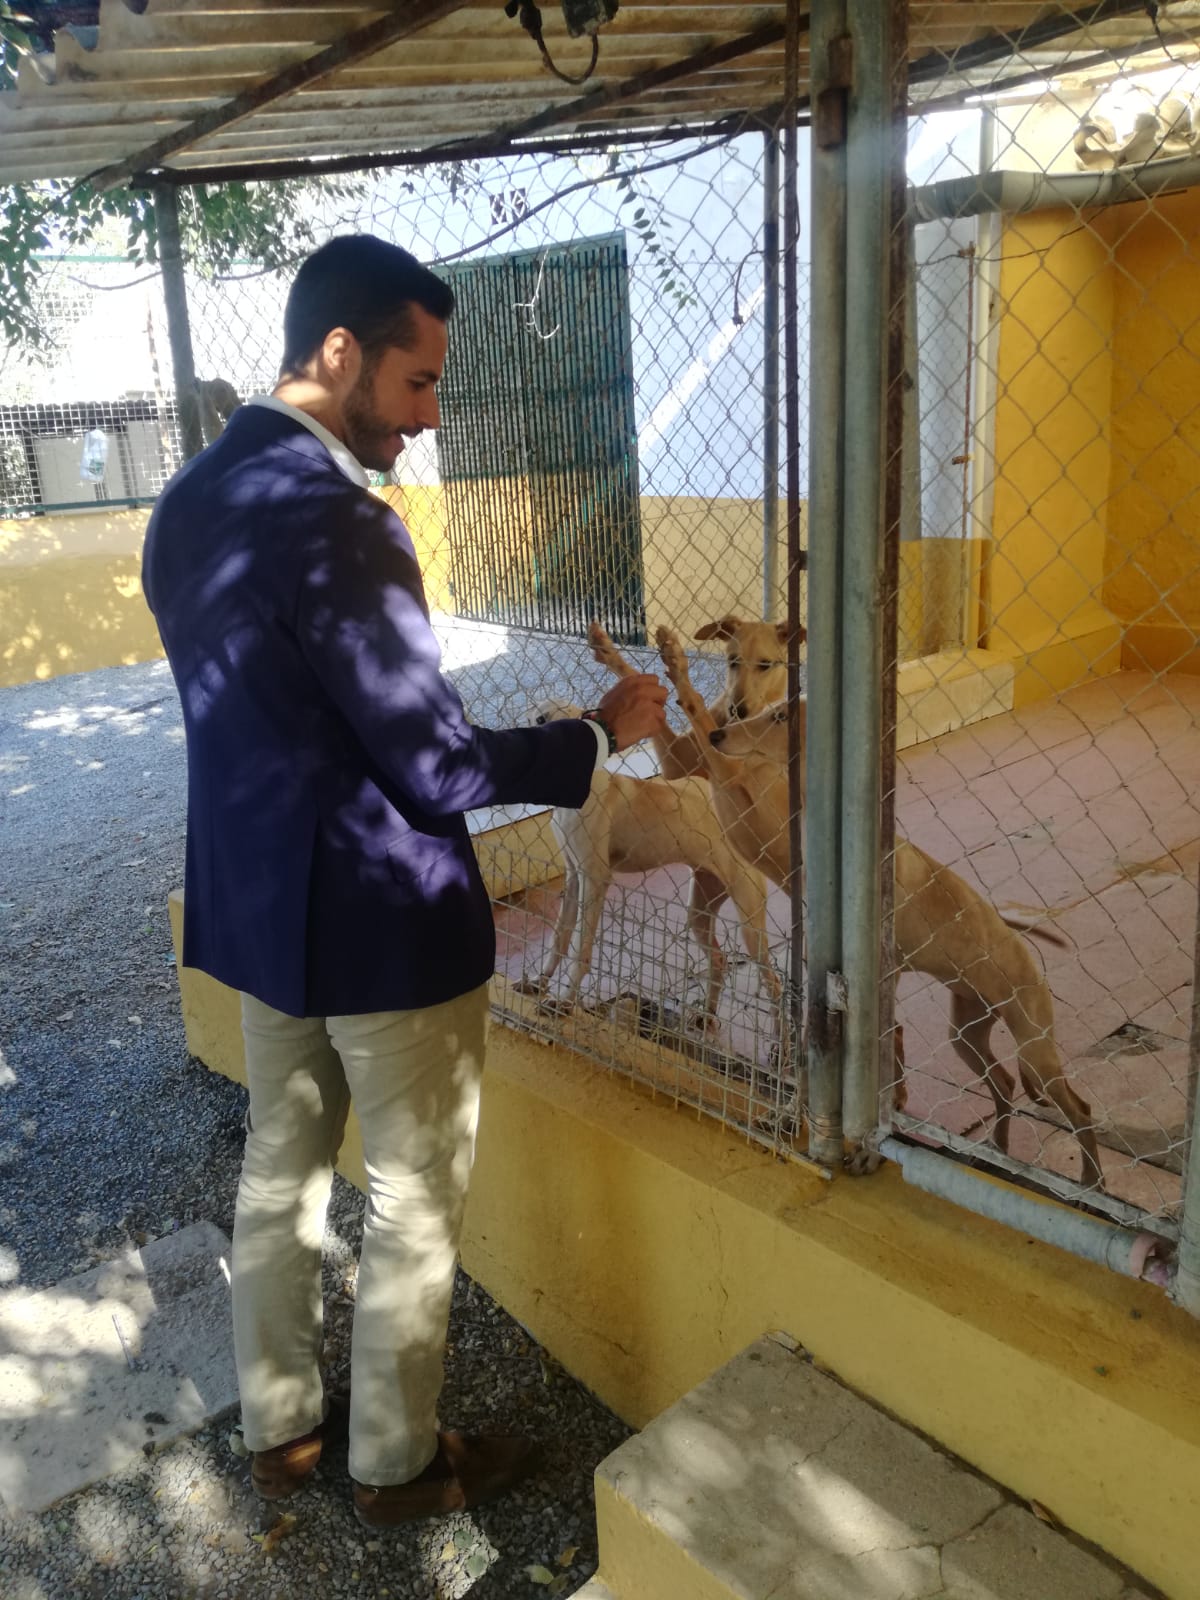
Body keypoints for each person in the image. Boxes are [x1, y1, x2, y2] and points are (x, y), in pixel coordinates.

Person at [141, 234, 667, 1527]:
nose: (429, 421)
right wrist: (597, 739)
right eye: (418, 383)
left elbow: (274, 722)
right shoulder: (343, 525)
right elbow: (432, 770)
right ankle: (393, 1463)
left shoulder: (186, 504)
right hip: (386, 932)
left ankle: (280, 1435)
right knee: (414, 1203)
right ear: (340, 354)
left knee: (282, 1167)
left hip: (267, 919)